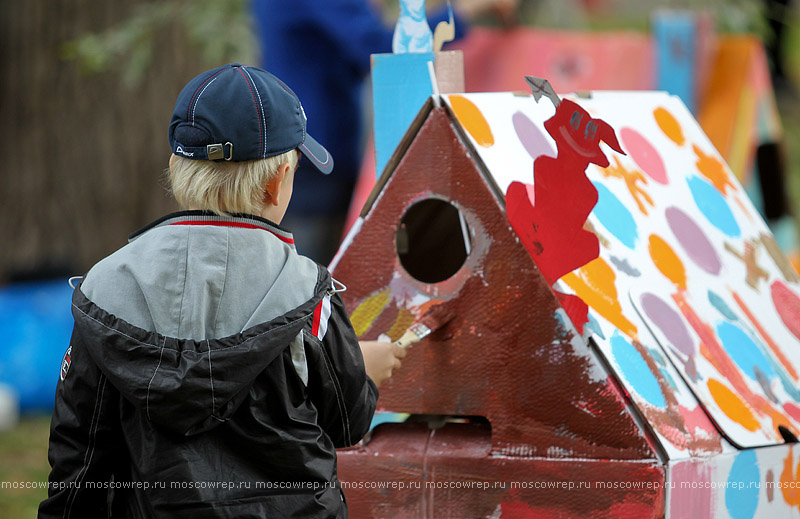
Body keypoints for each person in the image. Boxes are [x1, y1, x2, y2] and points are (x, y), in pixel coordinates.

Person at [39, 63, 405, 519]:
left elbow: (82, 451)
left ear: (175, 168)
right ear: (277, 183)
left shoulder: (104, 289)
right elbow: (347, 421)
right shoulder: (309, 292)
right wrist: (360, 369)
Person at [253, 0, 518, 265]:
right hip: (314, 157)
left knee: (299, 271)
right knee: (311, 279)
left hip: (296, 146)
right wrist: (463, 11)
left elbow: (345, 49)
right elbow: (385, 50)